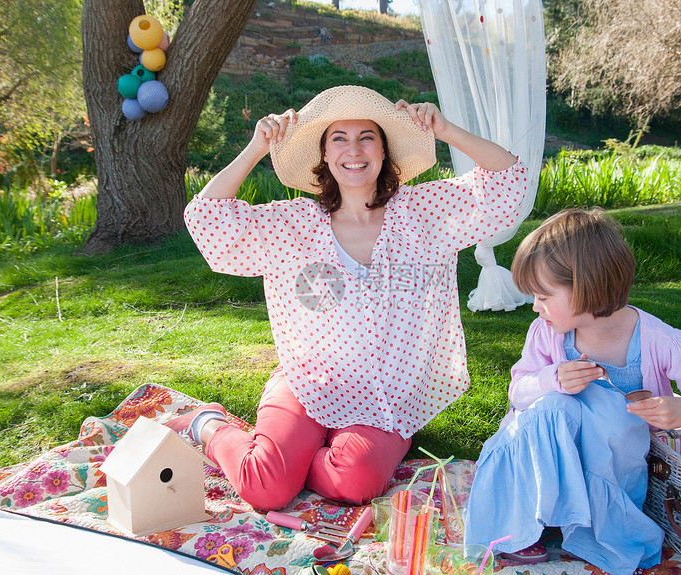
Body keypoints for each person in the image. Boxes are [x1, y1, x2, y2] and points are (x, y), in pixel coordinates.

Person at [173, 85, 528, 510]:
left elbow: (509, 182)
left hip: (386, 393)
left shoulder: (423, 213)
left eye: (366, 137)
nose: (353, 149)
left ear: (384, 151)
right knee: (265, 489)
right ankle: (209, 425)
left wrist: (446, 130)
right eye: (339, 138)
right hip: (308, 380)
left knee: (358, 482)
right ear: (324, 155)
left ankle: (295, 460)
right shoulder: (294, 224)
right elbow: (206, 219)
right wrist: (256, 148)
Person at [463, 208, 681, 574]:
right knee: (553, 405)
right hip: (544, 464)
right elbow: (518, 393)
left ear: (587, 286)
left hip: (611, 470)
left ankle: (590, 525)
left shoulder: (659, 341)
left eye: (544, 296)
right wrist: (550, 379)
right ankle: (531, 519)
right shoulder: (546, 334)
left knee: (613, 414)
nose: (535, 307)